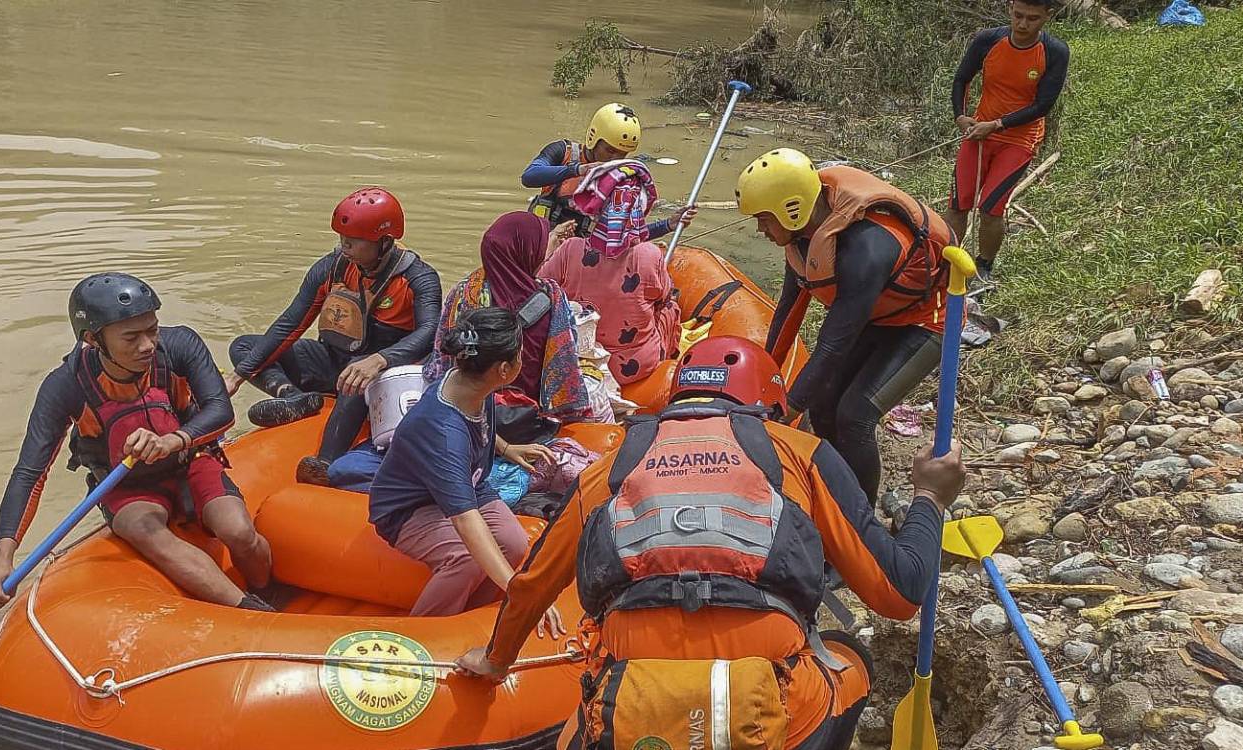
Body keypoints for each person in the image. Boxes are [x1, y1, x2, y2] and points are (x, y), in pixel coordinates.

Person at [455, 336, 966, 750]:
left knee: (582, 726)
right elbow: (898, 594)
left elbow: (532, 585)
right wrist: (929, 498)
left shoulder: (609, 468)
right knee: (848, 657)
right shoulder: (801, 453)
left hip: (630, 697)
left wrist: (497, 661)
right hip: (769, 696)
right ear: (767, 404)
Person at [0, 273, 275, 614]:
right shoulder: (66, 386)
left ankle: (269, 591)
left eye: (152, 330)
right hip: (126, 482)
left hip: (190, 458)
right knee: (144, 529)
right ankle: (256, 614)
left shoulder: (180, 346)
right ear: (93, 340)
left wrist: (171, 441)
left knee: (238, 532)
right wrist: (2, 559)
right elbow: (30, 472)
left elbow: (220, 410)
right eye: (131, 337)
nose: (147, 345)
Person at [738, 148, 955, 500]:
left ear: (790, 208)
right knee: (822, 405)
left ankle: (861, 517)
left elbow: (833, 346)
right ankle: (835, 495)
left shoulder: (866, 248)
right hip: (875, 314)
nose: (760, 229)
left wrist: (783, 413)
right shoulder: (804, 235)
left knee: (855, 415)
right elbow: (789, 310)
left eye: (764, 219)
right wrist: (762, 379)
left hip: (925, 320)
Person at [225, 187, 442, 486]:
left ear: (385, 242)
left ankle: (325, 463)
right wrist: (238, 376)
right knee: (244, 346)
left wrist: (381, 360)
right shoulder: (333, 267)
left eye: (353, 242)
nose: (344, 248)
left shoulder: (419, 279)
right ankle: (295, 398)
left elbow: (430, 333)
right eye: (342, 240)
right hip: (334, 359)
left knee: (358, 375)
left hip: (379, 373)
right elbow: (292, 322)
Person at [369, 307, 561, 623]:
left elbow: (479, 421)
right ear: (504, 369)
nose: (523, 359)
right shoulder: (443, 432)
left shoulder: (470, 380)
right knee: (466, 558)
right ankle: (424, 630)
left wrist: (506, 448)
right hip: (409, 508)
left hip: (469, 482)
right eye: (520, 355)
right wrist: (518, 590)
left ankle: (472, 619)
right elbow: (466, 521)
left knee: (513, 542)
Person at [424, 211, 591, 423]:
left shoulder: (464, 293)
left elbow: (442, 356)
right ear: (528, 252)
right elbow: (567, 354)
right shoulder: (552, 296)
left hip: (471, 406)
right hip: (528, 412)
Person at [947, 0, 1069, 284]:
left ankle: (984, 266)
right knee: (958, 203)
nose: (1023, 24)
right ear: (1010, 9)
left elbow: (1043, 105)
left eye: (1033, 19)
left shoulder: (1054, 52)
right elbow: (962, 79)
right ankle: (947, 259)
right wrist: (961, 117)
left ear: (1046, 17)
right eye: (1018, 16)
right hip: (978, 131)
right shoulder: (988, 41)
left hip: (1019, 139)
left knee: (991, 207)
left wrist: (998, 125)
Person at [540, 162, 683, 385]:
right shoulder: (650, 255)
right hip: (634, 367)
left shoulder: (570, 249)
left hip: (579, 362)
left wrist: (551, 245)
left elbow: (540, 287)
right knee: (671, 306)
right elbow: (662, 298)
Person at [521, 102, 695, 237]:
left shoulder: (620, 180)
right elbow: (529, 177)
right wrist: (579, 170)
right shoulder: (563, 152)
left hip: (577, 255)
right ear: (593, 139)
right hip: (541, 240)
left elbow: (625, 235)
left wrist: (668, 225)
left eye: (622, 154)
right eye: (609, 151)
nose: (615, 160)